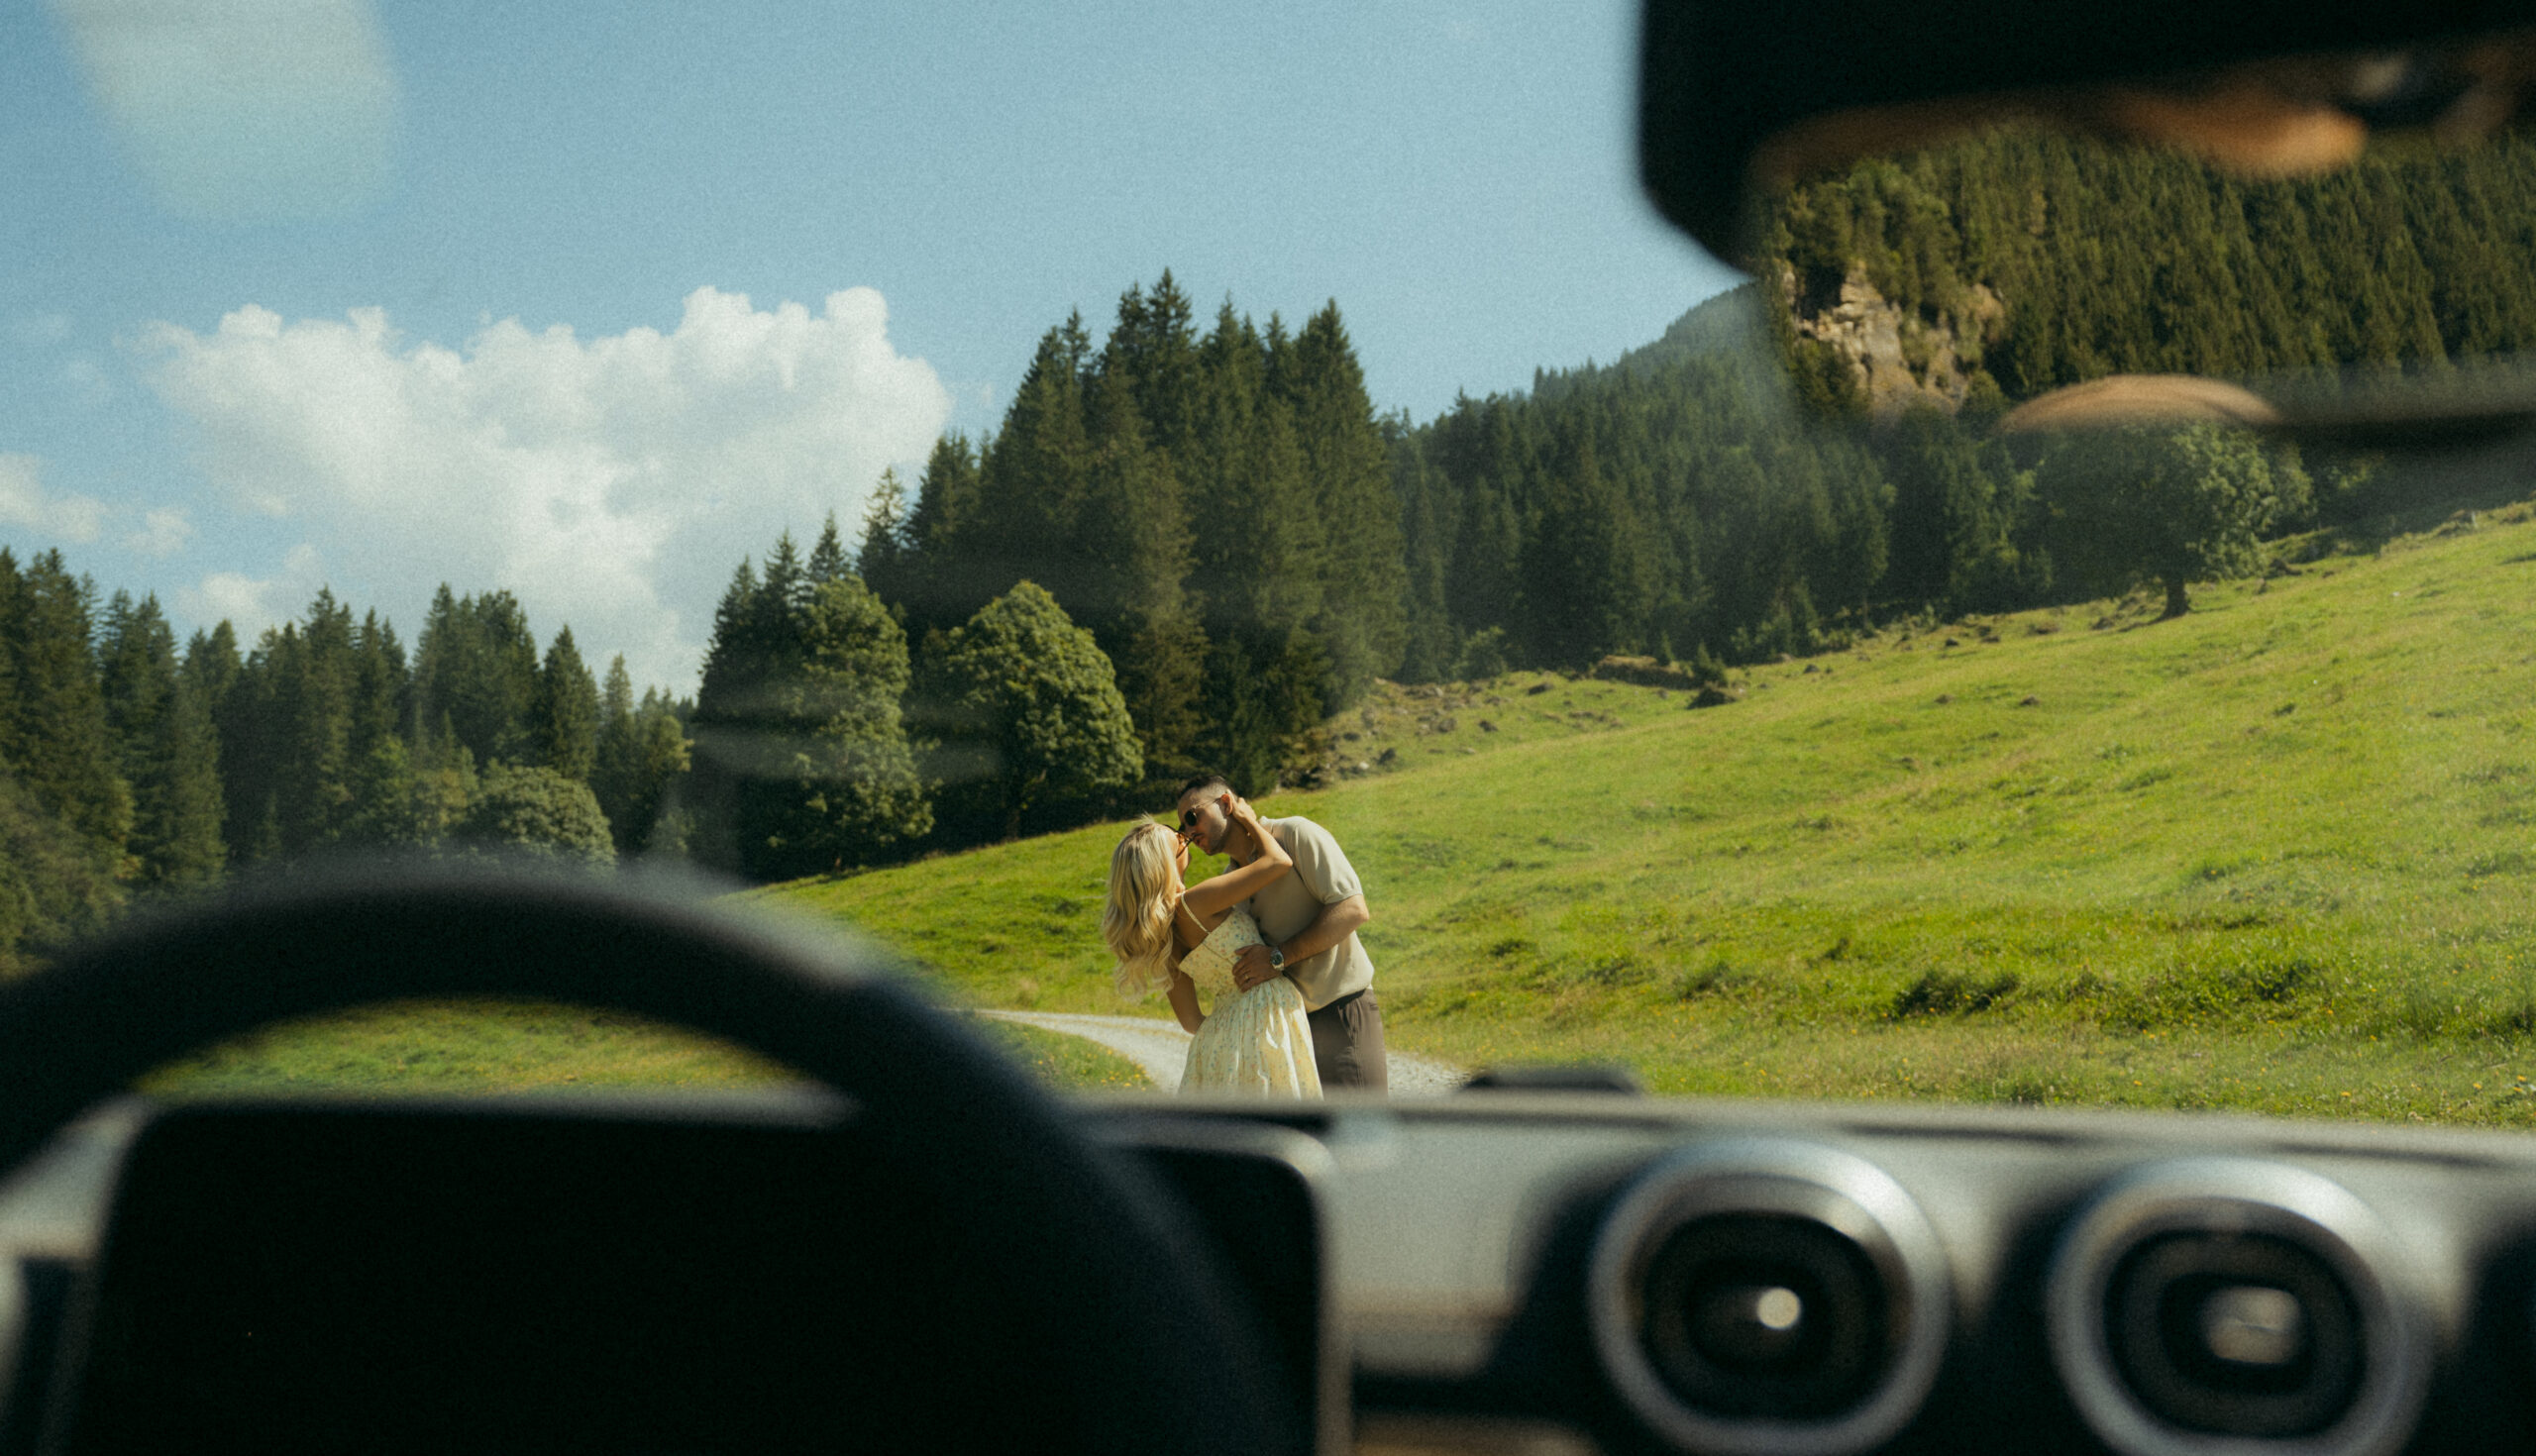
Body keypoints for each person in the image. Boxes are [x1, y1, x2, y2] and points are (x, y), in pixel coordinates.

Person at [1172, 773, 1386, 1092]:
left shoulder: (1296, 834)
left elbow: (1353, 909)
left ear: (1226, 803)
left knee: (1361, 1134)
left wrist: (1277, 957)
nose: (1189, 832)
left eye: (1193, 816)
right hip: (1288, 1030)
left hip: (1340, 1010)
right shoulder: (1230, 880)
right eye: (1182, 827)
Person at [1102, 796, 1321, 1098]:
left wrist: (1228, 1033)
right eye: (1179, 840)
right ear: (1165, 862)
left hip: (1220, 1033)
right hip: (1265, 1016)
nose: (1186, 838)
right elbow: (1278, 862)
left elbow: (1191, 1021)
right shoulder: (1196, 902)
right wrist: (1247, 819)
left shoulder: (1163, 937)